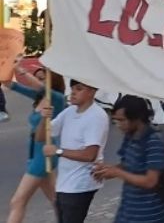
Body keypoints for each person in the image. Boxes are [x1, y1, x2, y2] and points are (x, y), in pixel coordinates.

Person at [92, 95, 164, 223]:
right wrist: (107, 170)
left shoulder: (154, 141)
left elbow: (150, 181)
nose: (118, 125)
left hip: (149, 214)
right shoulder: (130, 136)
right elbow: (127, 164)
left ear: (137, 119)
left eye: (122, 120)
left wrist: (117, 173)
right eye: (116, 121)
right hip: (129, 210)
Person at [38, 80, 109, 223]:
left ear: (92, 92)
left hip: (81, 183)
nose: (73, 92)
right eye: (72, 88)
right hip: (64, 182)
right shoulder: (69, 111)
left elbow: (90, 155)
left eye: (79, 89)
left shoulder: (96, 116)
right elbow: (41, 136)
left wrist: (58, 151)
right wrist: (44, 118)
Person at [3, 65, 66, 223]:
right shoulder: (39, 97)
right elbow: (11, 85)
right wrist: (7, 65)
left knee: (17, 201)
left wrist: (20, 68)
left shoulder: (57, 98)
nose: (38, 81)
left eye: (42, 78)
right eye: (37, 77)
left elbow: (38, 87)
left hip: (44, 153)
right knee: (56, 200)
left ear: (53, 80)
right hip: (35, 152)